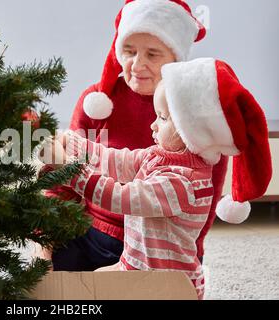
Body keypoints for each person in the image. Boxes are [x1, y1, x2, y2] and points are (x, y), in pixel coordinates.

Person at [45, 57, 272, 299]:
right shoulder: (160, 156)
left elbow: (122, 198)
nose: (153, 125)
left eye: (163, 118)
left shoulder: (184, 183)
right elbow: (118, 160)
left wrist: (68, 170)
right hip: (134, 265)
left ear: (191, 131)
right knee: (91, 284)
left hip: (167, 284)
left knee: (92, 290)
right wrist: (74, 144)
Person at [39, 0, 227, 271]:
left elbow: (207, 195)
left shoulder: (192, 112)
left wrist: (190, 253)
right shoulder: (97, 101)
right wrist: (46, 243)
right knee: (48, 286)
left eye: (152, 54)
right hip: (93, 233)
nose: (137, 65)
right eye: (129, 52)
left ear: (176, 59)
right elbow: (73, 179)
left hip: (157, 245)